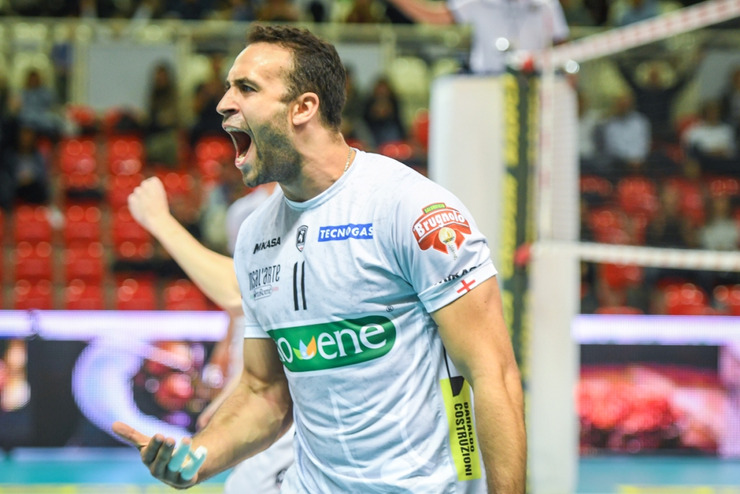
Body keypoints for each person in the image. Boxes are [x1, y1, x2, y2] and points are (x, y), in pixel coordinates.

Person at [113, 24, 526, 493]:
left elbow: (493, 374)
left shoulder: (411, 209)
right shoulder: (255, 235)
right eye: (229, 87)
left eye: (246, 88)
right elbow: (265, 392)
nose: (224, 103)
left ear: (303, 108)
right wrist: (198, 457)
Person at [127, 176, 291, 494]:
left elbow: (245, 290)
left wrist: (160, 221)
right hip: (260, 373)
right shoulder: (244, 212)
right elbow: (246, 308)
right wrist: (233, 384)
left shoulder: (315, 208)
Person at [385, 0, 569, 74]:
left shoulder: (546, 4)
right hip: (487, 82)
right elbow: (436, 17)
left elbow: (561, 43)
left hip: (535, 83)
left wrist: (570, 76)